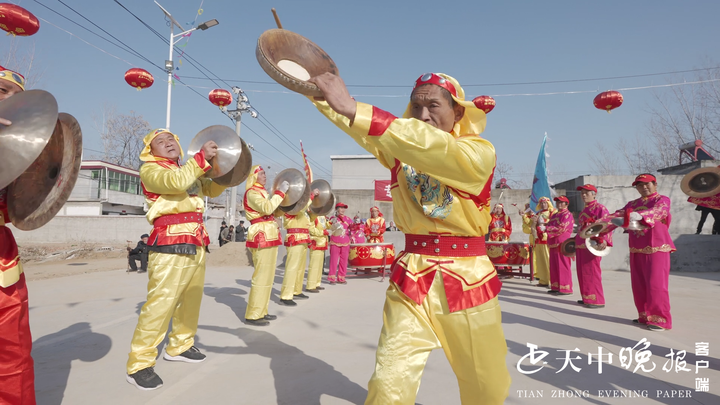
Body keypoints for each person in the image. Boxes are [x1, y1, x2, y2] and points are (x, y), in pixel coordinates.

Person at [309, 72, 510, 404]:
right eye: (416, 106)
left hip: (468, 280)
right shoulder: (399, 153)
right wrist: (317, 93)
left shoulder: (478, 153)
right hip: (412, 278)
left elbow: (434, 148)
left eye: (433, 105)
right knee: (389, 383)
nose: (423, 115)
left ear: (458, 112)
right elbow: (357, 124)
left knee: (486, 386)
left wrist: (354, 108)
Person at [126, 128, 225, 390]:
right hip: (169, 242)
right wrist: (202, 158)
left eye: (172, 139)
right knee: (161, 303)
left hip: (196, 240)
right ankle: (139, 363)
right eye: (161, 141)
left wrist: (226, 169)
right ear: (151, 150)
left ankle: (180, 346)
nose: (168, 143)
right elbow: (175, 183)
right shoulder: (151, 170)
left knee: (190, 299)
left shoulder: (187, 169)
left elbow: (211, 188)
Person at [0, 66, 36, 405]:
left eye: (16, 97)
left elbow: (21, 212)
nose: (9, 102)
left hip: (3, 260)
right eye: (1, 92)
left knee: (13, 359)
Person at [604, 174, 675, 331]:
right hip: (637, 248)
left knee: (656, 285)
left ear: (655, 184)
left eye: (647, 184)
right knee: (639, 284)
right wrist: (598, 226)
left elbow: (660, 212)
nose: (644, 187)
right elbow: (616, 216)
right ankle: (644, 315)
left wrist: (640, 215)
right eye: (640, 185)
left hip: (657, 248)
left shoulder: (661, 200)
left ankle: (659, 319)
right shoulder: (633, 204)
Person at [243, 166, 289, 325]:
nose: (265, 175)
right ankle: (253, 314)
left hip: (269, 233)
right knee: (261, 276)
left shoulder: (263, 192)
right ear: (253, 177)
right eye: (261, 173)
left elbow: (273, 212)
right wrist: (280, 193)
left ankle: (262, 310)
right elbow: (267, 208)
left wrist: (284, 204)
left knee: (268, 277)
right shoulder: (252, 193)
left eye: (264, 173)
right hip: (261, 234)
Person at [574, 184, 612, 309]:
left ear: (594, 194)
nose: (584, 195)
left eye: (587, 192)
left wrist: (604, 240)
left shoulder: (600, 208)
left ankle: (597, 299)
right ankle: (587, 297)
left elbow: (606, 225)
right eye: (582, 193)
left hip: (592, 245)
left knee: (592, 272)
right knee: (582, 273)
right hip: (581, 245)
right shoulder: (583, 211)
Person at [279, 189, 319, 305]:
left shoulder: (302, 209)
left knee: (300, 267)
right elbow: (299, 210)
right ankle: (286, 296)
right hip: (294, 237)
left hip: (303, 238)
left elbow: (309, 219)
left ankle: (296, 290)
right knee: (292, 267)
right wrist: (310, 197)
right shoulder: (289, 206)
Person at [546, 196, 574, 295]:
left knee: (563, 265)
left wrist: (547, 229)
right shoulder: (555, 215)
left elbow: (562, 228)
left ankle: (565, 287)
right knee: (554, 265)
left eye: (562, 202)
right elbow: (549, 224)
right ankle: (555, 286)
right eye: (558, 202)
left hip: (562, 243)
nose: (559, 204)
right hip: (553, 242)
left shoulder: (567, 215)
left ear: (567, 204)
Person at [528, 197, 554, 287]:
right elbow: (532, 226)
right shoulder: (538, 213)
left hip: (546, 238)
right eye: (542, 203)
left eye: (545, 203)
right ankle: (543, 280)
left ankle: (552, 280)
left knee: (548, 259)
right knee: (540, 261)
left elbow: (554, 224)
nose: (543, 205)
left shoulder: (552, 212)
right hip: (538, 239)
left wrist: (544, 223)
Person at [327, 203, 352, 285]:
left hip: (345, 242)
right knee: (334, 260)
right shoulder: (333, 218)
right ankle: (332, 278)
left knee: (344, 261)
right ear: (337, 209)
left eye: (344, 208)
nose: (343, 210)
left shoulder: (348, 219)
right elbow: (329, 228)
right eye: (341, 208)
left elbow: (352, 229)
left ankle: (341, 278)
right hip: (335, 242)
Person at [306, 210, 329, 293]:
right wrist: (323, 232)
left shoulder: (322, 216)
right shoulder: (313, 216)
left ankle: (316, 283)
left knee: (319, 266)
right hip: (316, 242)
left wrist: (330, 224)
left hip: (322, 242)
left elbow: (324, 226)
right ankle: (310, 286)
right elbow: (311, 230)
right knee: (314, 266)